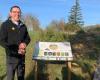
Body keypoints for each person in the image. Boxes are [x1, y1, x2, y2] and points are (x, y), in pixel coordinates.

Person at [0, 6, 30, 80]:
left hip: (22, 56)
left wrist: (25, 43)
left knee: (21, 77)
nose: (17, 14)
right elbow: (1, 40)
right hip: (11, 57)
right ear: (10, 13)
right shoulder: (5, 25)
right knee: (10, 78)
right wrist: (14, 49)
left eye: (19, 12)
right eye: (14, 12)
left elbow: (28, 38)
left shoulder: (23, 26)